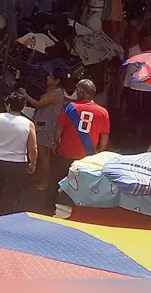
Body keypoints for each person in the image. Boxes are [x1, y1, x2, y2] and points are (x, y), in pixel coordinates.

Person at [49, 79, 110, 211]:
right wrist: (98, 153)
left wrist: (56, 143)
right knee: (81, 185)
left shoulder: (70, 107)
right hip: (87, 157)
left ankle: (49, 208)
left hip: (65, 152)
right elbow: (104, 137)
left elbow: (59, 128)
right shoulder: (103, 112)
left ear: (81, 91)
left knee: (56, 181)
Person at [0, 93, 37, 216]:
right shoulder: (29, 124)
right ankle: (4, 215)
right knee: (11, 191)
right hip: (17, 163)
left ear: (8, 105)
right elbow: (33, 148)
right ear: (23, 107)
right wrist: (33, 163)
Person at [21, 62, 67, 191]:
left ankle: (44, 183)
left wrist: (25, 94)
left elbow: (38, 104)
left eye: (51, 77)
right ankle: (40, 177)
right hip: (42, 123)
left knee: (44, 155)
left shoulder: (56, 93)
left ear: (57, 81)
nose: (48, 78)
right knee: (42, 154)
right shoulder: (51, 91)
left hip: (47, 127)